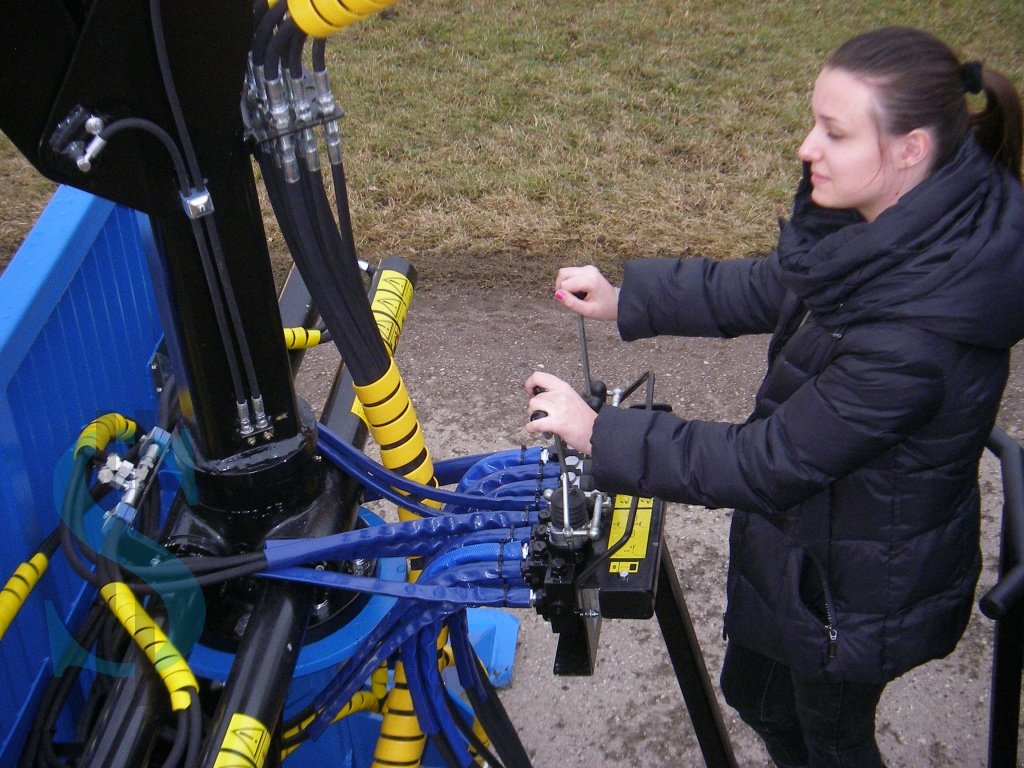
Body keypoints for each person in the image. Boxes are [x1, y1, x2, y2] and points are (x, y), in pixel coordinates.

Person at [524, 26, 1024, 768]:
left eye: (834, 132)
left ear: (911, 148)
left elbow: (767, 462)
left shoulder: (919, 339)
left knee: (829, 743)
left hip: (850, 596)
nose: (805, 147)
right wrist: (629, 301)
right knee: (754, 697)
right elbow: (775, 284)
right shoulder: (901, 218)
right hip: (806, 543)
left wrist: (601, 433)